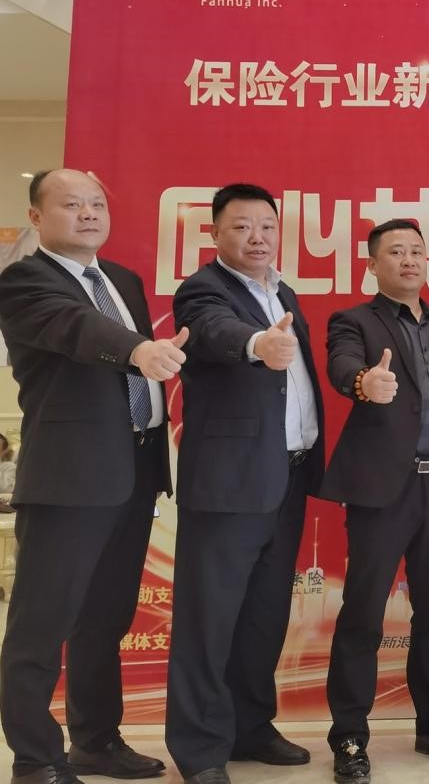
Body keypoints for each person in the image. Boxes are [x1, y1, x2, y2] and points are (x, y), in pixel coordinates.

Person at [0, 169, 183, 784]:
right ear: (36, 218)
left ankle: (96, 741)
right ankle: (35, 758)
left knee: (105, 620)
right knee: (41, 624)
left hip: (133, 473)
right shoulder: (25, 280)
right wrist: (137, 350)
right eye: (71, 204)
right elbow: (76, 327)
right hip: (69, 480)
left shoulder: (122, 280)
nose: (88, 213)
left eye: (97, 204)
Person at [165, 183, 325, 784]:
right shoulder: (203, 289)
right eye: (241, 226)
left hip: (286, 476)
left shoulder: (282, 292)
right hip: (230, 484)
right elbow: (213, 331)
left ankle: (250, 727)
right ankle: (201, 749)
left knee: (263, 614)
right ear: (214, 233)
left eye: (266, 226)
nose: (257, 237)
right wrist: (259, 343)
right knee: (210, 619)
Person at [319, 219, 429, 784]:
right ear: (373, 265)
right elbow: (342, 364)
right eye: (396, 252)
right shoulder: (354, 320)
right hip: (382, 490)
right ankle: (349, 737)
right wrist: (364, 382)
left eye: (417, 251)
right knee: (363, 613)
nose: (409, 259)